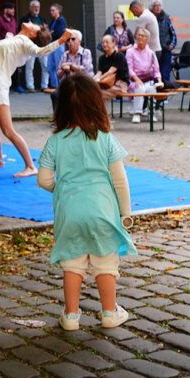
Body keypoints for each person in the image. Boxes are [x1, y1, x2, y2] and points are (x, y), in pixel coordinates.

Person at [36, 72, 136, 331]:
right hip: (103, 211)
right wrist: (125, 212)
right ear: (97, 104)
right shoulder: (105, 139)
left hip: (69, 213)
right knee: (104, 262)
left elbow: (44, 179)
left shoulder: (55, 142)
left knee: (72, 262)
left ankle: (70, 316)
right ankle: (109, 312)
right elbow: (120, 180)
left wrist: (62, 190)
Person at [0, 21, 76, 176]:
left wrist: (62, 39)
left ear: (32, 34)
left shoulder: (25, 43)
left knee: (7, 129)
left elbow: (43, 51)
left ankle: (30, 166)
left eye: (34, 25)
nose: (30, 21)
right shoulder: (13, 38)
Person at [125, 26, 161, 124]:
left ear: (147, 39)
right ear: (136, 37)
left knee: (151, 88)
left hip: (148, 79)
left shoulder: (151, 53)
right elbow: (129, 69)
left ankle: (151, 113)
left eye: (143, 36)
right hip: (134, 79)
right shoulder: (130, 51)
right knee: (140, 87)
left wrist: (159, 80)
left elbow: (156, 70)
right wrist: (136, 79)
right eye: (139, 35)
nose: (140, 37)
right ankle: (137, 113)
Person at [50, 31, 94, 112]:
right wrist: (63, 69)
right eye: (68, 40)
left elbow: (85, 70)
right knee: (54, 94)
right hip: (69, 84)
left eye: (73, 39)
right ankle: (58, 119)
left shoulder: (86, 52)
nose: (70, 42)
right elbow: (58, 75)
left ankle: (77, 118)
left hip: (83, 84)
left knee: (75, 96)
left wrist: (70, 65)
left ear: (79, 41)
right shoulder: (65, 54)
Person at [19, 0, 48, 93]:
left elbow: (47, 31)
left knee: (45, 66)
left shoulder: (43, 19)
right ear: (30, 7)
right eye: (35, 6)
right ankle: (30, 86)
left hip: (42, 46)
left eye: (38, 7)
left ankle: (44, 85)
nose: (36, 8)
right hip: (30, 46)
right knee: (29, 67)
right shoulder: (25, 19)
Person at [150, 0, 177, 84]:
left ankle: (164, 96)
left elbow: (173, 33)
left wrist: (172, 45)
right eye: (155, 6)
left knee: (164, 75)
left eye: (159, 5)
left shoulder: (166, 17)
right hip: (153, 50)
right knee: (154, 75)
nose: (158, 8)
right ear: (151, 8)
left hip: (165, 49)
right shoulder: (149, 18)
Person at [46, 3, 68, 89]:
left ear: (58, 10)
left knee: (59, 65)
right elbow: (49, 32)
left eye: (53, 10)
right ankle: (55, 85)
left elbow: (59, 33)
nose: (51, 12)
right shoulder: (53, 21)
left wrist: (51, 33)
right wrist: (51, 33)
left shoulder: (61, 20)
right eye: (50, 10)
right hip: (51, 45)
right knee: (50, 66)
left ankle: (61, 85)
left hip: (58, 45)